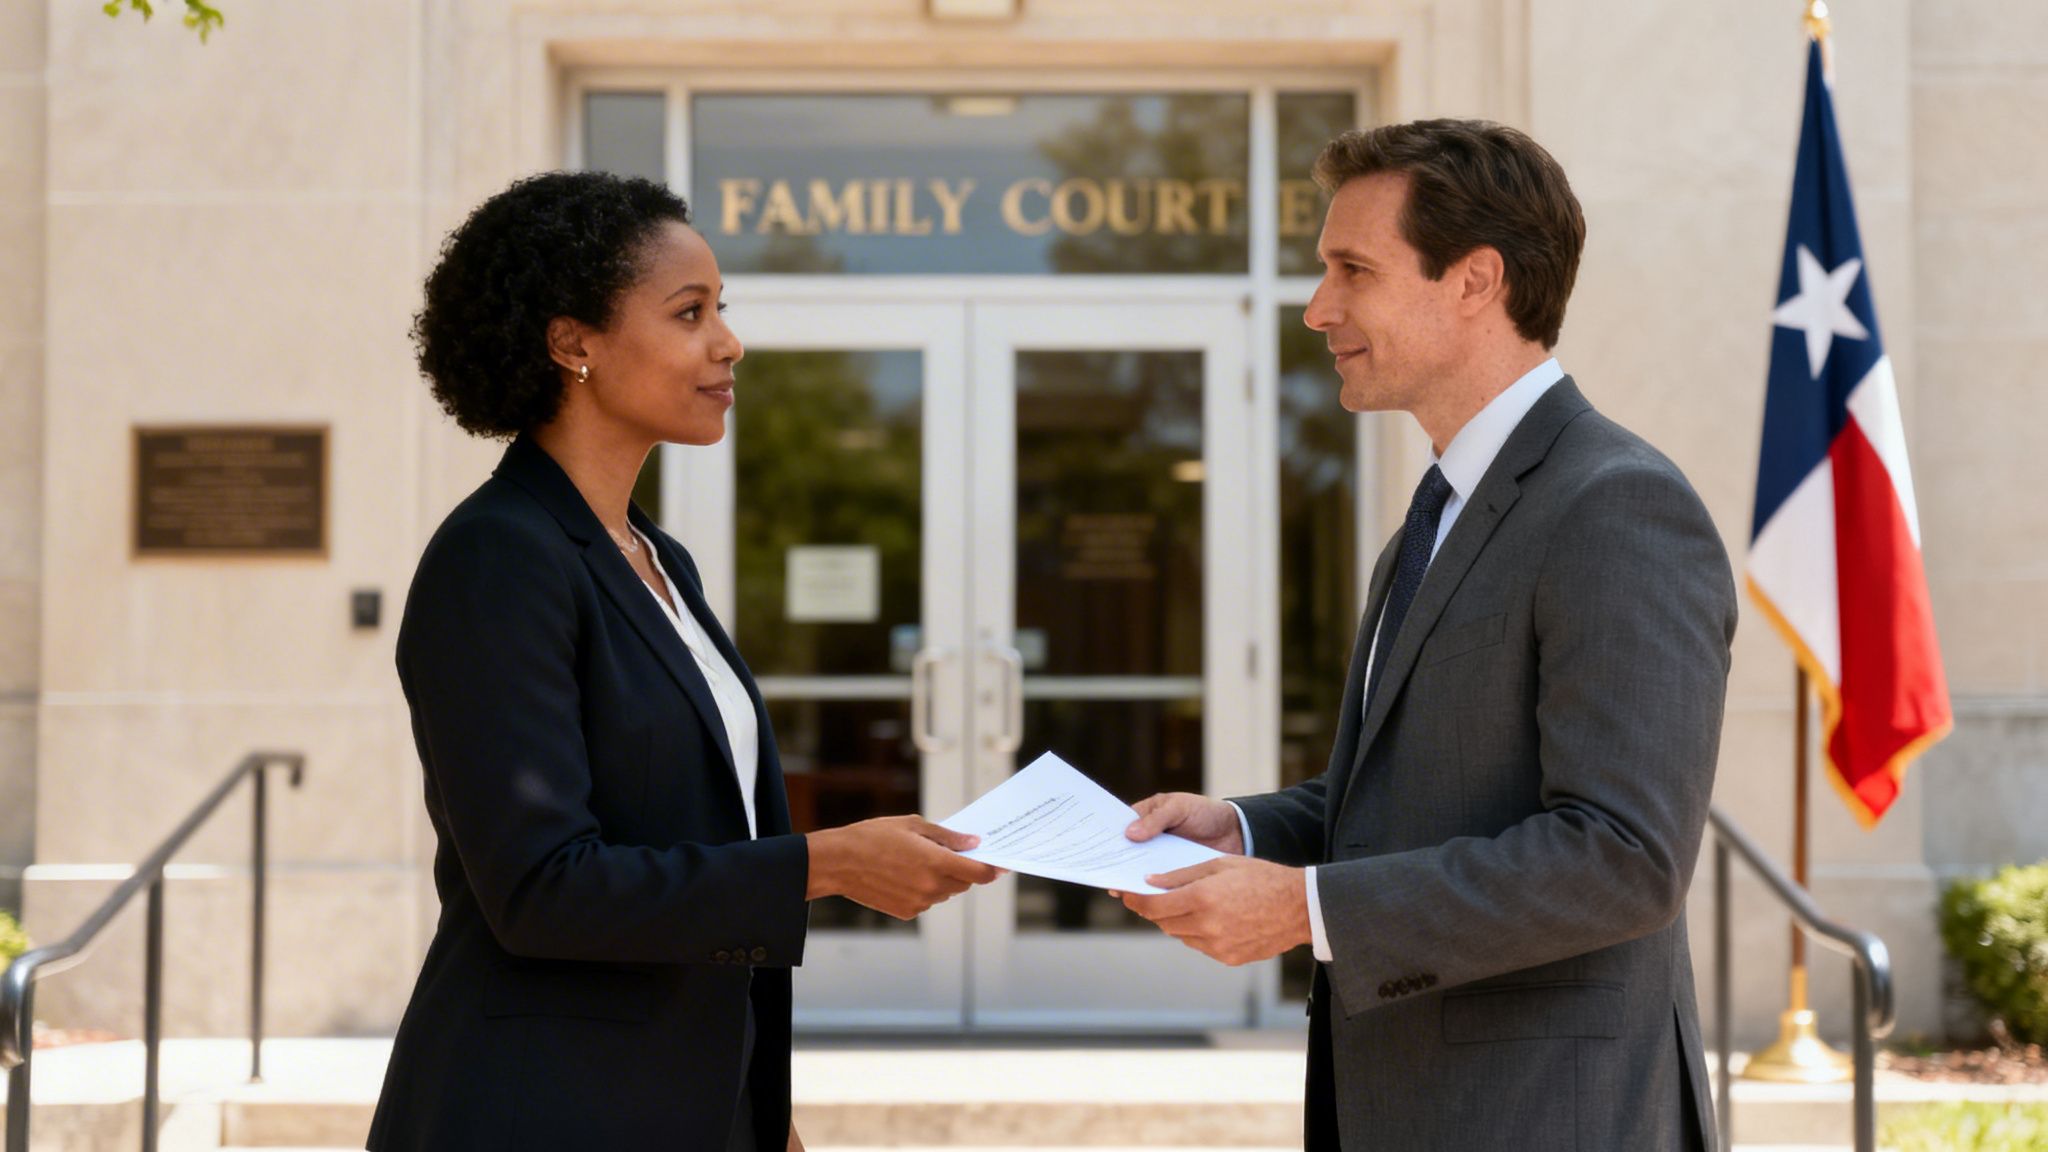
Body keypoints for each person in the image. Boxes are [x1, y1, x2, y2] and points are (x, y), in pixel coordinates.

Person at [1118, 120, 1737, 1151]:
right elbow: (1408, 799)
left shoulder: (1617, 505)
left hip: (1547, 1120)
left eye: (1352, 270)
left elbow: (1623, 857)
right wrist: (1244, 831)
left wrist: (1307, 910)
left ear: (1475, 281)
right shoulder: (1431, 521)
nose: (1318, 308)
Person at [366, 171, 1001, 1152]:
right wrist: (829, 863)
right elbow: (541, 889)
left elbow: (688, 841)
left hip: (686, 1104)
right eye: (689, 312)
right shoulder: (498, 556)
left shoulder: (658, 559)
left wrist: (756, 1107)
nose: (728, 343)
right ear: (572, 343)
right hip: (541, 1112)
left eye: (721, 310)